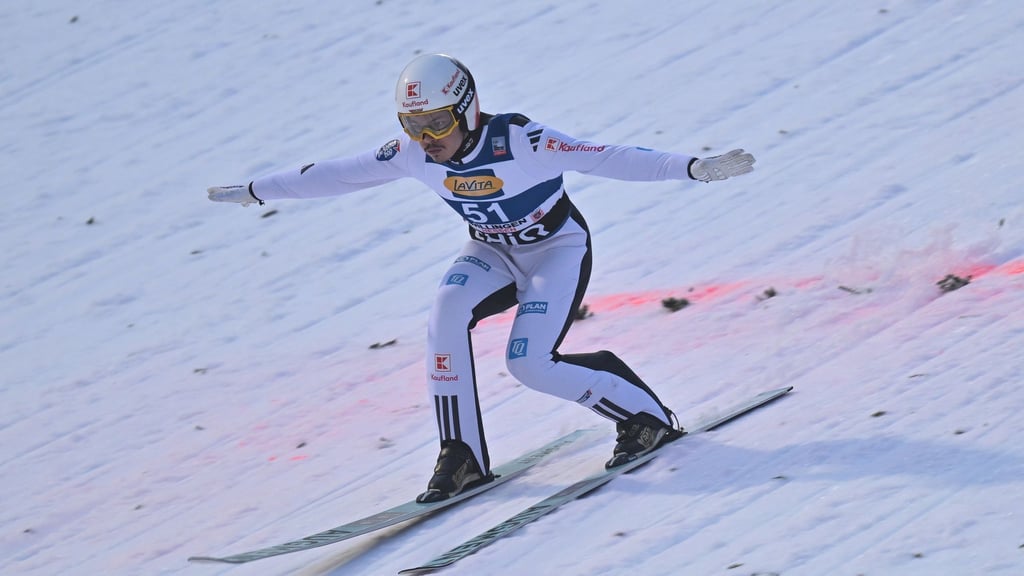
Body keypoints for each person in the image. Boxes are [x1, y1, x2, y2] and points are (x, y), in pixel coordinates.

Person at [209, 53, 756, 503]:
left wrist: (691, 167)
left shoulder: (522, 141)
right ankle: (461, 454)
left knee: (528, 364)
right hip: (491, 252)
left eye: (436, 123)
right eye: (412, 125)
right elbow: (334, 174)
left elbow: (606, 157)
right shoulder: (412, 154)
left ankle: (643, 416)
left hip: (556, 252)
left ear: (468, 112)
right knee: (446, 310)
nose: (426, 139)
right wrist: (259, 189)